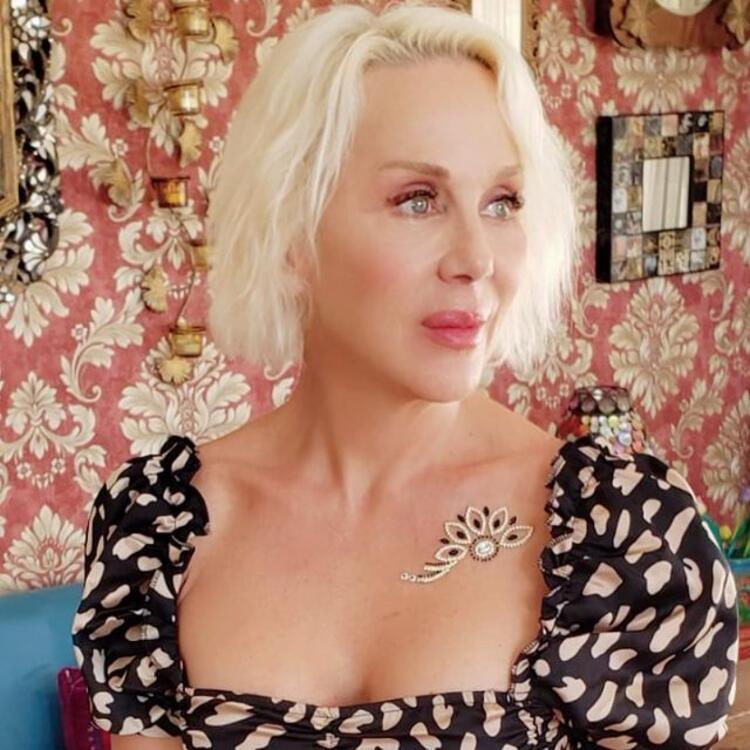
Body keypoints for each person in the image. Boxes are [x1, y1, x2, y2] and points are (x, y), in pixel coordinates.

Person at [70, 1, 738, 748]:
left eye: (503, 202)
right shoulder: (156, 524)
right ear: (291, 230)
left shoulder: (629, 535)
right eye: (418, 200)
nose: (477, 258)